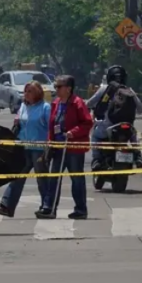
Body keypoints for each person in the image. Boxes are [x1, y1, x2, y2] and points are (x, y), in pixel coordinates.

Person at [38, 75, 93, 220]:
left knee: (77, 179)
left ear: (68, 89)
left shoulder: (77, 103)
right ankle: (48, 208)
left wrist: (72, 133)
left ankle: (80, 209)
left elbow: (87, 123)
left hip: (73, 148)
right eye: (55, 86)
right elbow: (52, 125)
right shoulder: (56, 103)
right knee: (54, 178)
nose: (56, 89)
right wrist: (51, 141)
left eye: (59, 87)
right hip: (58, 147)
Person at [0, 81, 50, 217]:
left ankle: (47, 206)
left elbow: (50, 128)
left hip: (38, 148)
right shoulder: (24, 106)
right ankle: (7, 205)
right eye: (25, 91)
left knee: (42, 179)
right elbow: (20, 122)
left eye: (30, 91)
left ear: (37, 93)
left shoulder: (45, 108)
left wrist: (48, 147)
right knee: (17, 177)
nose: (26, 94)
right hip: (23, 147)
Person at [87, 65, 142, 167]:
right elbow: (141, 110)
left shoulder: (104, 88)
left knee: (94, 135)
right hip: (127, 128)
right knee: (134, 135)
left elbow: (89, 104)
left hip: (107, 128)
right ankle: (138, 156)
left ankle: (97, 160)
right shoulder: (129, 90)